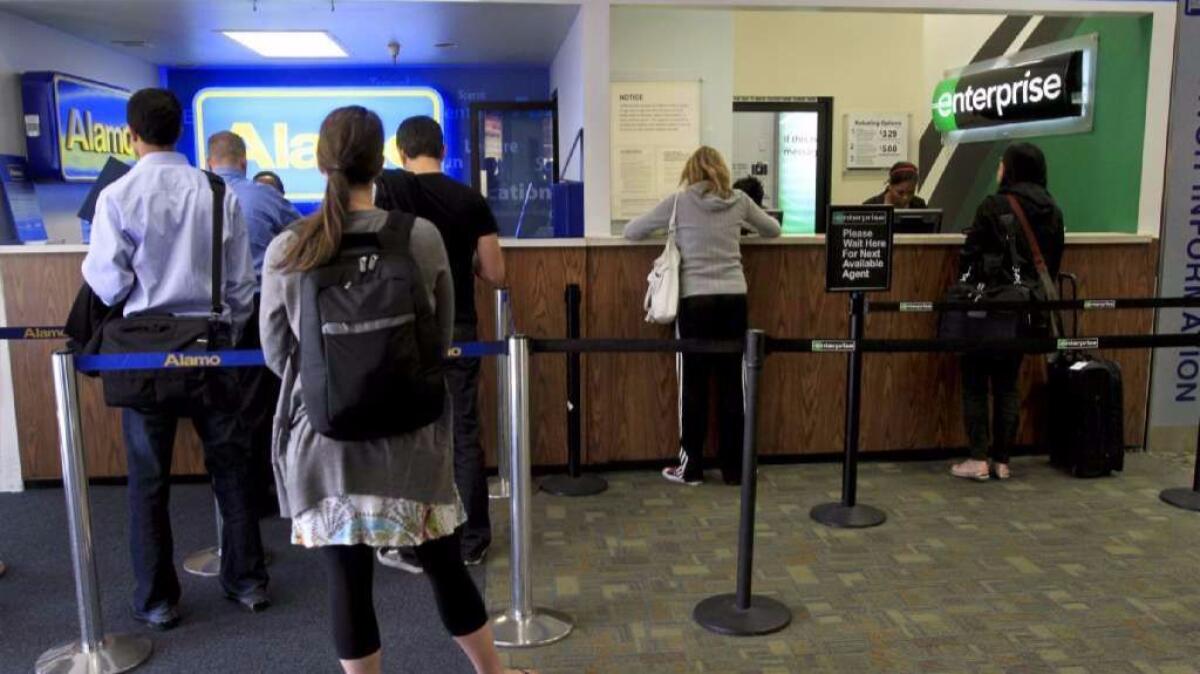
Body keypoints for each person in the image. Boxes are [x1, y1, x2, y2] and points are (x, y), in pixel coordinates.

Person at [260, 106, 530, 674]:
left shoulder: (289, 248)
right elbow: (437, 337)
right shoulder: (420, 237)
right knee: (445, 565)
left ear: (318, 160)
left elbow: (275, 352)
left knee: (347, 582)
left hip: (326, 440)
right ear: (380, 163)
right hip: (412, 441)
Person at [81, 88, 269, 630]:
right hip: (211, 345)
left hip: (141, 352)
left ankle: (158, 598)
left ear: (131, 135)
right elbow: (240, 284)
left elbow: (107, 280)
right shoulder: (216, 191)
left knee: (148, 479)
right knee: (231, 468)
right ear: (180, 133)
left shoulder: (116, 195)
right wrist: (226, 329)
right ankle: (248, 581)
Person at [373, 116, 505, 572]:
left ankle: (413, 539)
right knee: (464, 435)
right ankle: (473, 539)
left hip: (407, 330)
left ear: (400, 151)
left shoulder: (392, 196)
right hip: (460, 330)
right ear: (443, 149)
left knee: (413, 437)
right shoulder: (470, 199)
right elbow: (496, 273)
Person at [623, 146, 782, 486]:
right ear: (722, 170)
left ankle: (691, 467)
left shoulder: (679, 203)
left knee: (692, 386)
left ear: (690, 172)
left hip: (695, 302)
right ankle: (735, 469)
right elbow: (773, 229)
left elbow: (631, 231)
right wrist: (738, 230)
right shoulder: (739, 200)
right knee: (732, 386)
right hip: (733, 300)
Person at [951, 143, 1064, 482]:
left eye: (1002, 164)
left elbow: (971, 257)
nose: (998, 169)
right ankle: (1002, 460)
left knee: (974, 381)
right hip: (1027, 309)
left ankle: (978, 458)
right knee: (1007, 384)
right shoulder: (1053, 209)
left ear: (1011, 169)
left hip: (990, 307)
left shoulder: (994, 204)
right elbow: (1053, 261)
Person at [207, 132, 301, 517]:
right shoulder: (264, 196)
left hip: (210, 314)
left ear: (210, 162)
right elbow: (305, 235)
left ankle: (236, 499)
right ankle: (268, 488)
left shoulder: (199, 193)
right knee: (264, 401)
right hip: (262, 306)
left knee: (223, 408)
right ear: (243, 162)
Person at [863, 161, 927, 209]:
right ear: (890, 186)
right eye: (900, 193)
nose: (905, 198)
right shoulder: (870, 206)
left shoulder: (919, 205)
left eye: (911, 192)